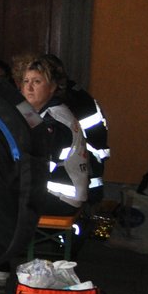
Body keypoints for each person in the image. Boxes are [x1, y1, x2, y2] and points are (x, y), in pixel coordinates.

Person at [13, 53, 90, 217]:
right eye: (26, 81)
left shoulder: (55, 120)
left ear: (53, 86)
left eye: (37, 81)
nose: (29, 87)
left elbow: (40, 163)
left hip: (60, 197)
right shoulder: (38, 111)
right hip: (47, 190)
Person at [40, 52, 109, 193]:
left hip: (71, 181)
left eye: (36, 80)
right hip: (87, 175)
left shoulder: (61, 106)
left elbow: (54, 152)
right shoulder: (79, 95)